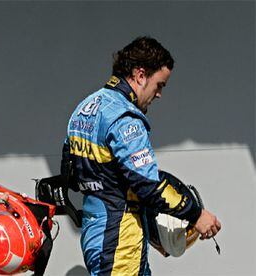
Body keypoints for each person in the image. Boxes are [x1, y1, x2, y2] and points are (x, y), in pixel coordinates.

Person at [61, 36, 221, 275]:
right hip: (121, 243)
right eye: (160, 85)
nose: (159, 94)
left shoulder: (85, 108)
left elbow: (70, 173)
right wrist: (196, 214)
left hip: (95, 235)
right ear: (140, 75)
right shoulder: (126, 118)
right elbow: (147, 184)